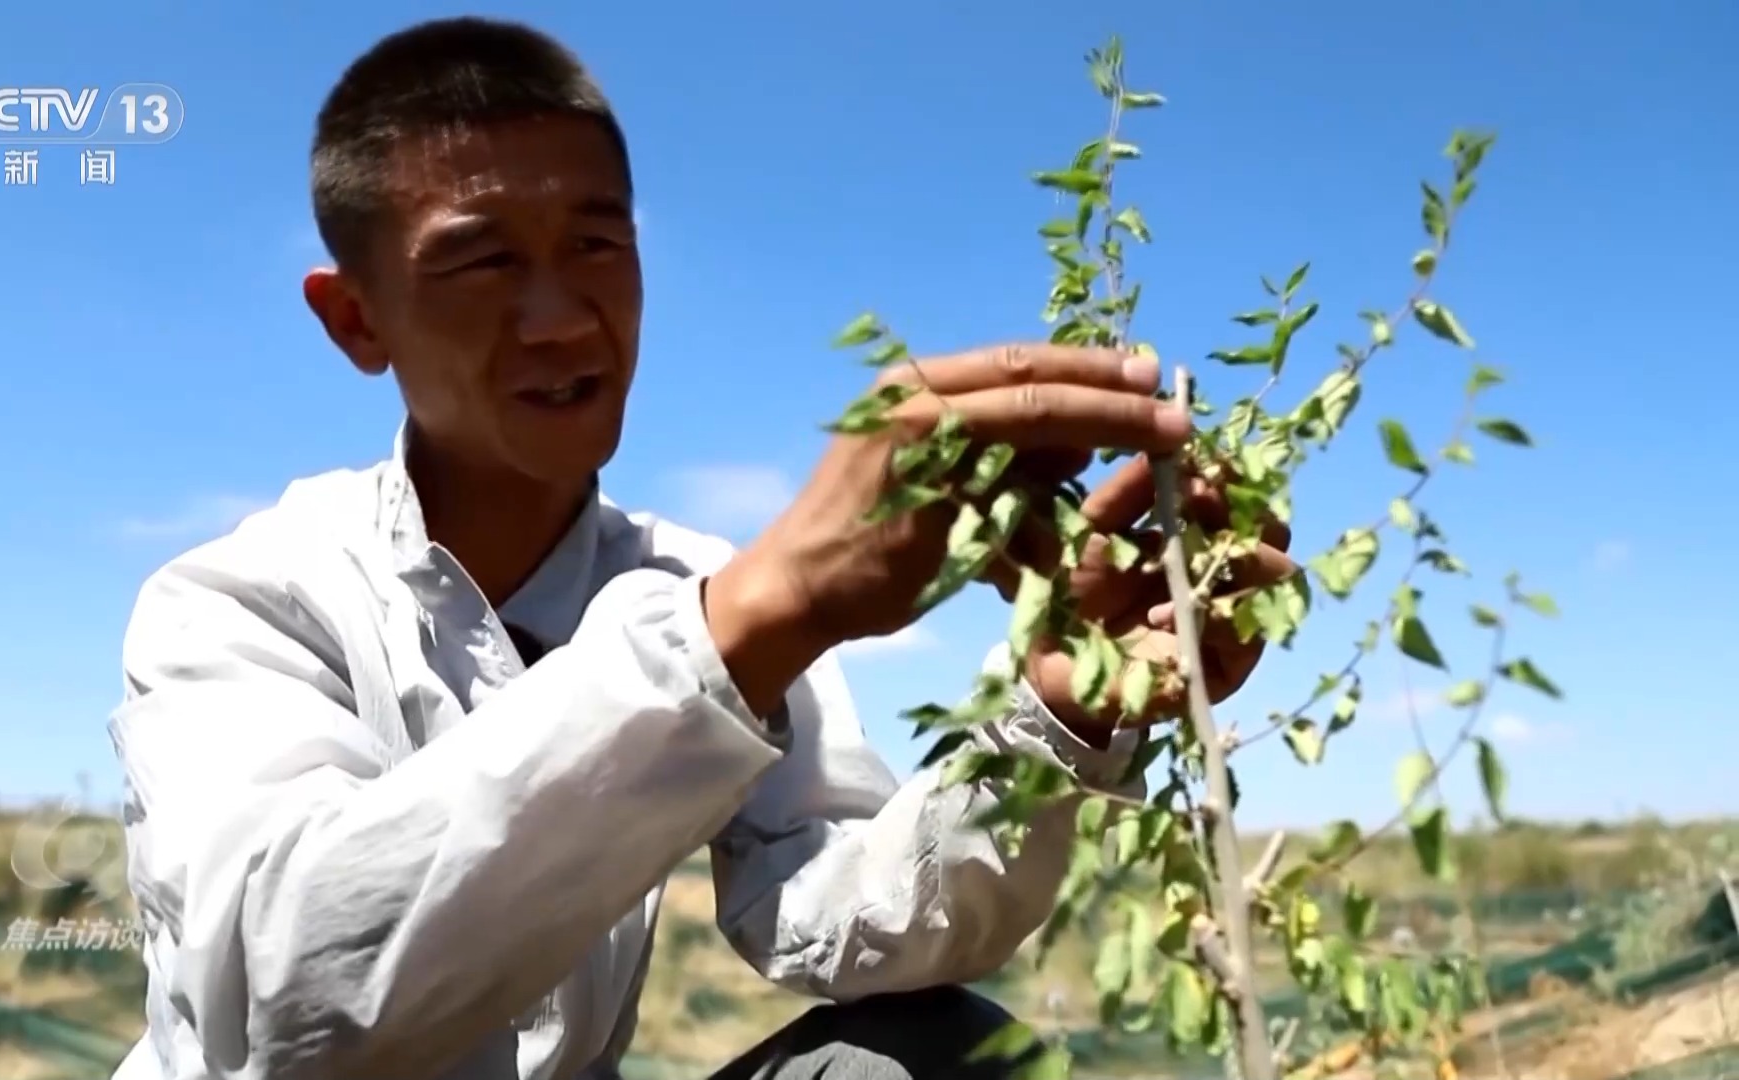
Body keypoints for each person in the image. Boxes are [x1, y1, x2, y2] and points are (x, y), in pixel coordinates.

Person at [105, 16, 1295, 1080]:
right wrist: (756, 620)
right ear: (355, 319)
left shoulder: (688, 584)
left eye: (596, 245)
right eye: (483, 259)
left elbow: (842, 916)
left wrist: (1060, 717)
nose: (562, 318)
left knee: (929, 1057)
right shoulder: (243, 601)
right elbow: (287, 1005)